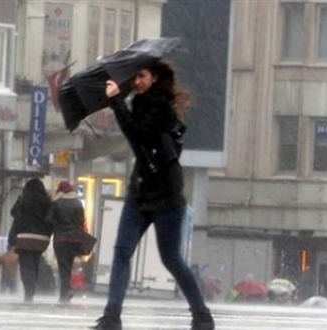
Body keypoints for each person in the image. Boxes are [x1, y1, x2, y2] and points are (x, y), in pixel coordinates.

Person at [92, 61, 215, 330]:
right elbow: (137, 139)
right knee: (122, 252)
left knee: (171, 259)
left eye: (142, 76)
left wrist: (116, 102)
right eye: (134, 77)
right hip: (141, 191)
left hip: (167, 194)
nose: (137, 82)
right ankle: (111, 317)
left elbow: (136, 135)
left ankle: (202, 315)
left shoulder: (161, 107)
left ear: (154, 78)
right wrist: (120, 101)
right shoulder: (139, 103)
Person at [7, 178, 53, 302]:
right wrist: (47, 235)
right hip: (40, 239)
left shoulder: (22, 199)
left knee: (25, 265)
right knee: (35, 263)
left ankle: (29, 289)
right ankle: (31, 288)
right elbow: (51, 221)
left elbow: (14, 215)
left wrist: (12, 237)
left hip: (24, 238)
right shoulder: (47, 201)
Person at [48, 180, 86, 303]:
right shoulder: (78, 203)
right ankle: (66, 290)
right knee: (68, 266)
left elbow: (49, 220)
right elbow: (82, 222)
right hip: (74, 240)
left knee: (63, 266)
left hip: (61, 239)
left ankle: (65, 291)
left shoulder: (57, 203)